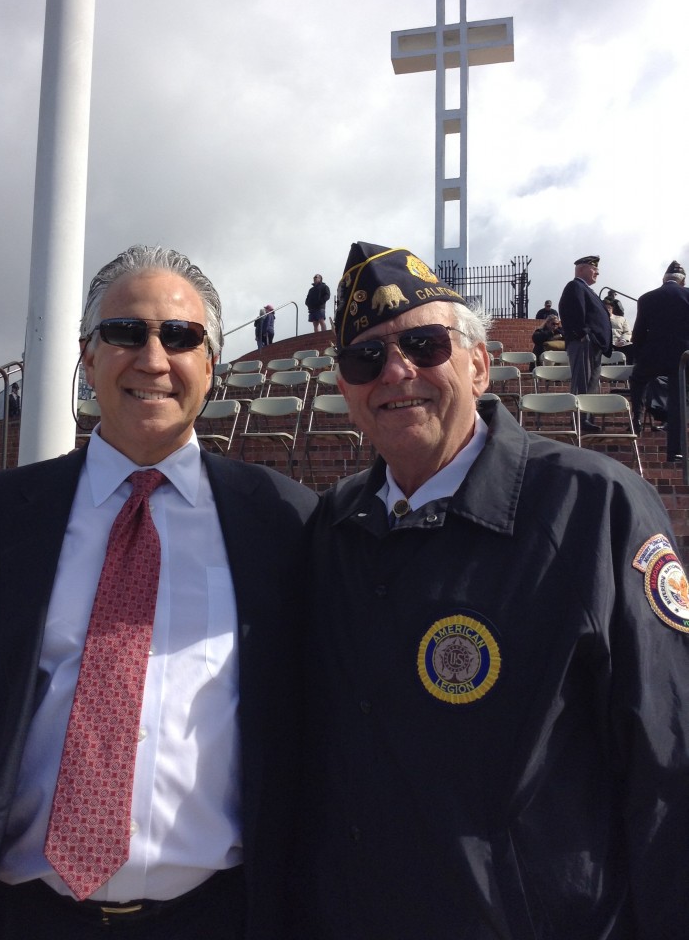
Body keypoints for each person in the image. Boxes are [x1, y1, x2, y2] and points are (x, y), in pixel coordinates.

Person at [292, 240, 689, 940]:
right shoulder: (333, 525)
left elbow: (669, 768)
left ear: (478, 364)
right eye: (365, 357)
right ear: (345, 387)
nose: (396, 371)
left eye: (423, 344)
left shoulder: (594, 509)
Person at [0, 244, 318, 939]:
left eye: (181, 337)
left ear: (212, 365)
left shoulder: (286, 522)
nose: (153, 358)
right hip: (17, 917)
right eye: (126, 332)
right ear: (86, 356)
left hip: (219, 917)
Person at [629, 260, 689, 460]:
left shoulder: (646, 298)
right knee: (678, 401)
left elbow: (637, 334)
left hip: (652, 355)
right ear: (682, 281)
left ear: (664, 280)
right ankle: (675, 451)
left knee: (637, 381)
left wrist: (639, 356)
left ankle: (636, 420)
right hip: (682, 358)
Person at [558, 255, 612, 428]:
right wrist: (582, 333)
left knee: (591, 383)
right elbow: (570, 311)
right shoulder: (575, 286)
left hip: (593, 344)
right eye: (594, 268)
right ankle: (580, 420)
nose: (598, 272)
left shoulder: (587, 290)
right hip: (584, 342)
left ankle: (587, 418)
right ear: (581, 269)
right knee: (582, 381)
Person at [603, 297, 634, 362]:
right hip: (605, 344)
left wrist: (622, 340)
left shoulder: (621, 319)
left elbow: (627, 332)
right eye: (605, 308)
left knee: (632, 347)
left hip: (620, 343)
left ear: (612, 309)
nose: (607, 310)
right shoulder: (598, 320)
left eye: (609, 308)